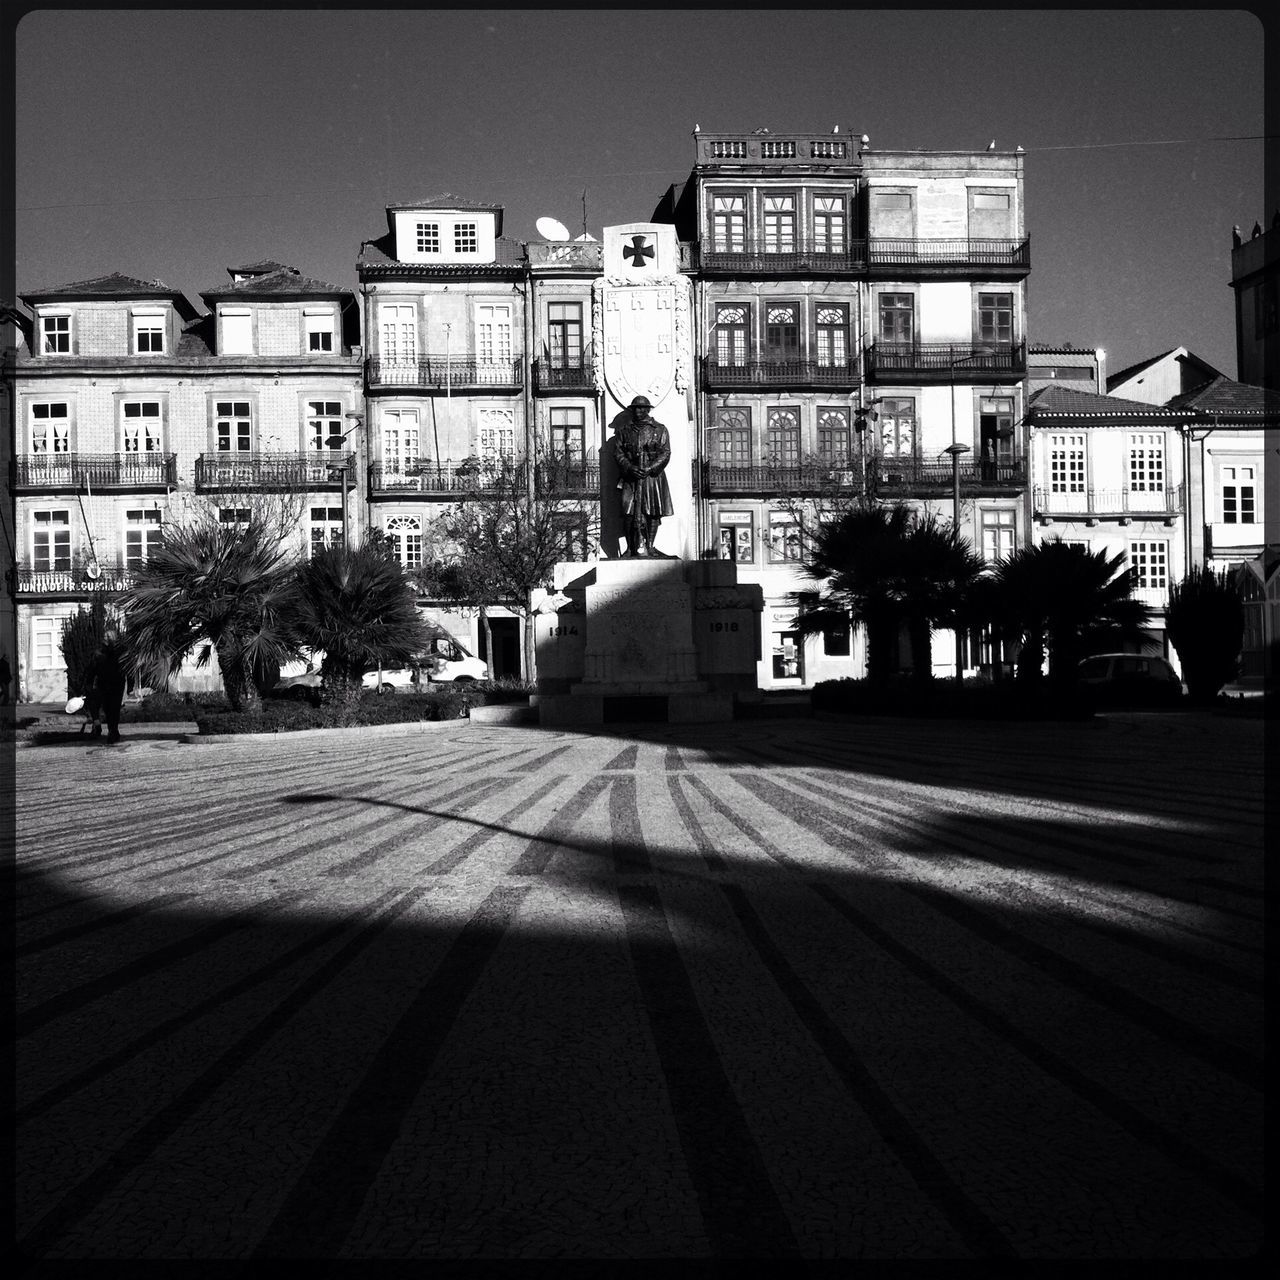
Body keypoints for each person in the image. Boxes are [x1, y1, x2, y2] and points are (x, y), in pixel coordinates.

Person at [613, 395, 674, 558]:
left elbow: (665, 453)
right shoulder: (624, 431)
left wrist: (650, 467)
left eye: (641, 408)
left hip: (652, 478)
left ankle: (651, 546)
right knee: (628, 512)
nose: (638, 411)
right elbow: (618, 453)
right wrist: (630, 467)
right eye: (635, 408)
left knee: (653, 511)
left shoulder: (660, 429)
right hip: (631, 476)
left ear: (648, 410)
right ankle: (630, 547)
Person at [84, 630, 128, 743]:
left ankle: (113, 731)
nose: (105, 638)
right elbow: (92, 669)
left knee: (114, 709)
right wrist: (89, 683)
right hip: (105, 684)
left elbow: (127, 668)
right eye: (105, 636)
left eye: (107, 636)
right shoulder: (99, 653)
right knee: (109, 709)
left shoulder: (119, 652)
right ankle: (112, 731)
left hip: (116, 685)